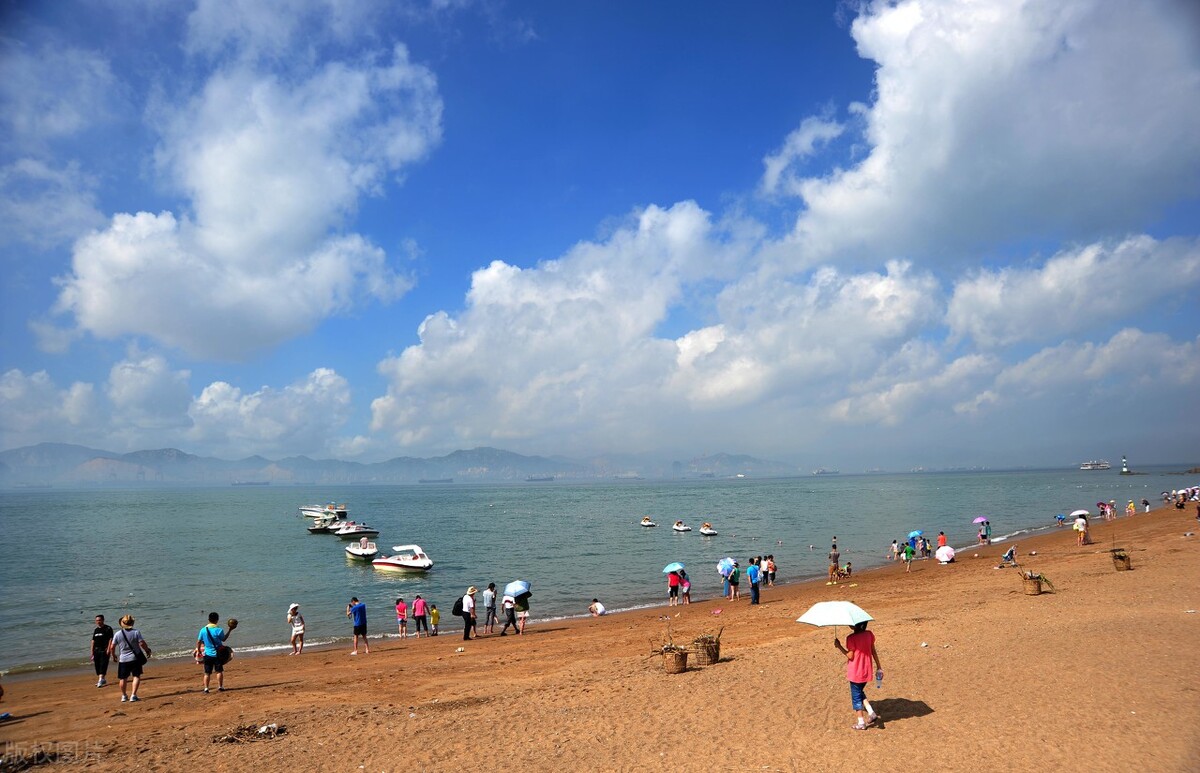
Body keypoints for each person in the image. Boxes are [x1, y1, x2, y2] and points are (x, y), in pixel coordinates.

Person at [834, 620, 882, 730]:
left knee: (856, 697)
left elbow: (850, 656)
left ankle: (861, 722)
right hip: (866, 670)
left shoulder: (851, 638)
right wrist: (879, 666)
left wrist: (839, 646)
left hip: (855, 672)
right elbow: (873, 651)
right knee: (859, 692)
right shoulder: (869, 635)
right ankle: (871, 712)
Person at [108, 614, 150, 702]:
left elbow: (112, 647)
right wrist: (147, 650)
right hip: (135, 658)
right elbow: (141, 643)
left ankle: (124, 695)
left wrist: (114, 655)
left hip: (123, 659)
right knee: (136, 676)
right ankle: (133, 695)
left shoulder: (118, 634)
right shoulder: (136, 632)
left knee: (123, 678)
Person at [195, 611, 236, 693]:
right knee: (219, 671)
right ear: (217, 620)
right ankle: (220, 687)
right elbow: (223, 639)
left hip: (207, 654)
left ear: (208, 619)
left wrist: (199, 650)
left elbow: (199, 641)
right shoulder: (219, 630)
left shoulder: (203, 630)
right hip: (218, 654)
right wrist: (230, 630)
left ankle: (206, 689)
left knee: (207, 673)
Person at [91, 614, 114, 687]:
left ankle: (100, 680)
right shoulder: (96, 630)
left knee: (103, 665)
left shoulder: (108, 628)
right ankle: (102, 679)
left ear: (103, 620)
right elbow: (93, 641)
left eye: (99, 620)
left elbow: (111, 639)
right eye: (97, 620)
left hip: (104, 649)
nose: (98, 622)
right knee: (97, 665)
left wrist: (109, 648)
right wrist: (92, 652)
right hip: (96, 650)